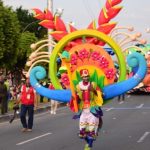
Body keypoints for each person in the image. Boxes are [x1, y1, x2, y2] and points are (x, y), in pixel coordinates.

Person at [70, 69, 103, 150]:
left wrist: (94, 90)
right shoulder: (78, 86)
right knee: (82, 131)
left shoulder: (94, 84)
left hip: (92, 109)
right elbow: (76, 100)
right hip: (83, 110)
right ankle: (89, 143)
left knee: (92, 131)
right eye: (84, 77)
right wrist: (74, 98)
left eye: (87, 76)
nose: (86, 78)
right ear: (81, 77)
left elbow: (101, 94)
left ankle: (89, 145)